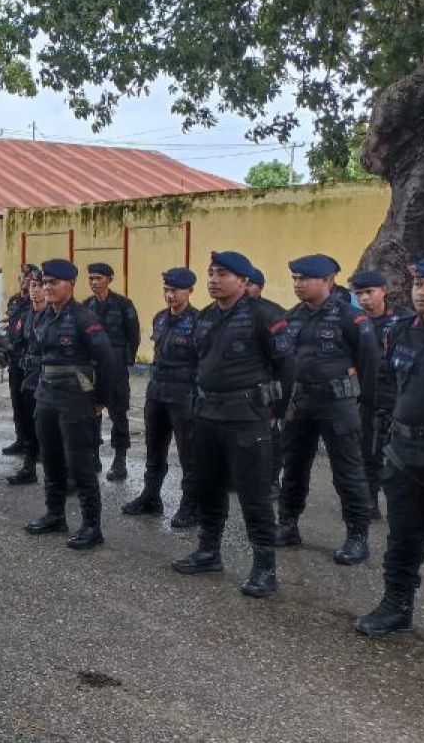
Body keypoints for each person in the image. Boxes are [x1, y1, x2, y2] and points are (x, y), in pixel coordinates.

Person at [172, 251, 293, 599]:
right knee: (209, 487)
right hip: (208, 414)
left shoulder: (265, 315)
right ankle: (209, 551)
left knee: (254, 495)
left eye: (222, 274)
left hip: (246, 418)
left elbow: (287, 367)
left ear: (243, 280)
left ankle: (264, 568)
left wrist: (275, 412)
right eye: (210, 273)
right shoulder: (206, 316)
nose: (213, 280)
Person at [276, 254, 379, 566]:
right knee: (293, 467)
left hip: (338, 405)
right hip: (301, 404)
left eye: (304, 278)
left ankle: (357, 536)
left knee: (348, 472)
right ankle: (288, 524)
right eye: (294, 278)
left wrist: (365, 406)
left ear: (328, 280)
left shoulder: (351, 318)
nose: (297, 284)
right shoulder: (292, 316)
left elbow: (369, 364)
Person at [355, 258, 424, 637]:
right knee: (403, 537)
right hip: (405, 456)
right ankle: (396, 606)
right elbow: (387, 382)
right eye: (419, 284)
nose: (423, 293)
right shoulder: (401, 331)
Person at [24, 259, 118, 550]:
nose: (48, 288)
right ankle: (55, 515)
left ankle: (92, 526)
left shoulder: (83, 318)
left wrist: (100, 399)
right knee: (50, 460)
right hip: (47, 397)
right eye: (45, 283)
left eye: (54, 283)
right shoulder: (43, 317)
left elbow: (107, 361)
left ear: (70, 285)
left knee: (80, 465)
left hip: (75, 400)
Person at [123, 268, 200, 526]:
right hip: (157, 392)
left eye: (175, 290)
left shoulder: (200, 322)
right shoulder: (160, 318)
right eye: (166, 290)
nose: (170, 295)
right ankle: (151, 496)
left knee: (190, 454)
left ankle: (191, 505)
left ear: (190, 291)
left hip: (184, 395)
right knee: (154, 449)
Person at [350, 269, 404, 519]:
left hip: (398, 398)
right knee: (366, 451)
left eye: (369, 292)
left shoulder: (402, 321)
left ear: (384, 291)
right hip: (365, 396)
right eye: (358, 294)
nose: (364, 299)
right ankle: (369, 501)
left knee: (400, 456)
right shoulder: (353, 322)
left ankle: (404, 505)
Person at [83, 263, 140, 481]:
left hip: (116, 365)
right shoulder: (85, 306)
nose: (94, 283)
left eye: (98, 278)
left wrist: (125, 361)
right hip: (91, 367)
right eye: (91, 279)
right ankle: (93, 455)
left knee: (118, 413)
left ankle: (119, 460)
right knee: (91, 412)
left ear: (109, 279)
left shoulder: (124, 305)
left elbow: (133, 336)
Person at [246, 267, 289, 496]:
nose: (246, 288)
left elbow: (284, 358)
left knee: (270, 434)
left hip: (267, 384)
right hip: (239, 388)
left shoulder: (273, 313)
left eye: (251, 284)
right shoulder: (225, 312)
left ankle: (272, 480)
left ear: (260, 287)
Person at [8, 265, 46, 485]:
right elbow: (17, 342)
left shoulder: (53, 315)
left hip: (49, 379)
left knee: (50, 427)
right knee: (27, 423)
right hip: (28, 377)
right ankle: (29, 467)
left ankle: (62, 473)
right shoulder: (26, 316)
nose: (36, 290)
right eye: (33, 285)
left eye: (40, 286)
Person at [4, 266, 36, 458]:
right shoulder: (15, 300)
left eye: (29, 278)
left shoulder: (37, 301)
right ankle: (21, 439)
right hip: (15, 357)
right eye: (22, 276)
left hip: (30, 359)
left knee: (30, 402)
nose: (24, 280)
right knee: (17, 401)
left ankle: (34, 444)